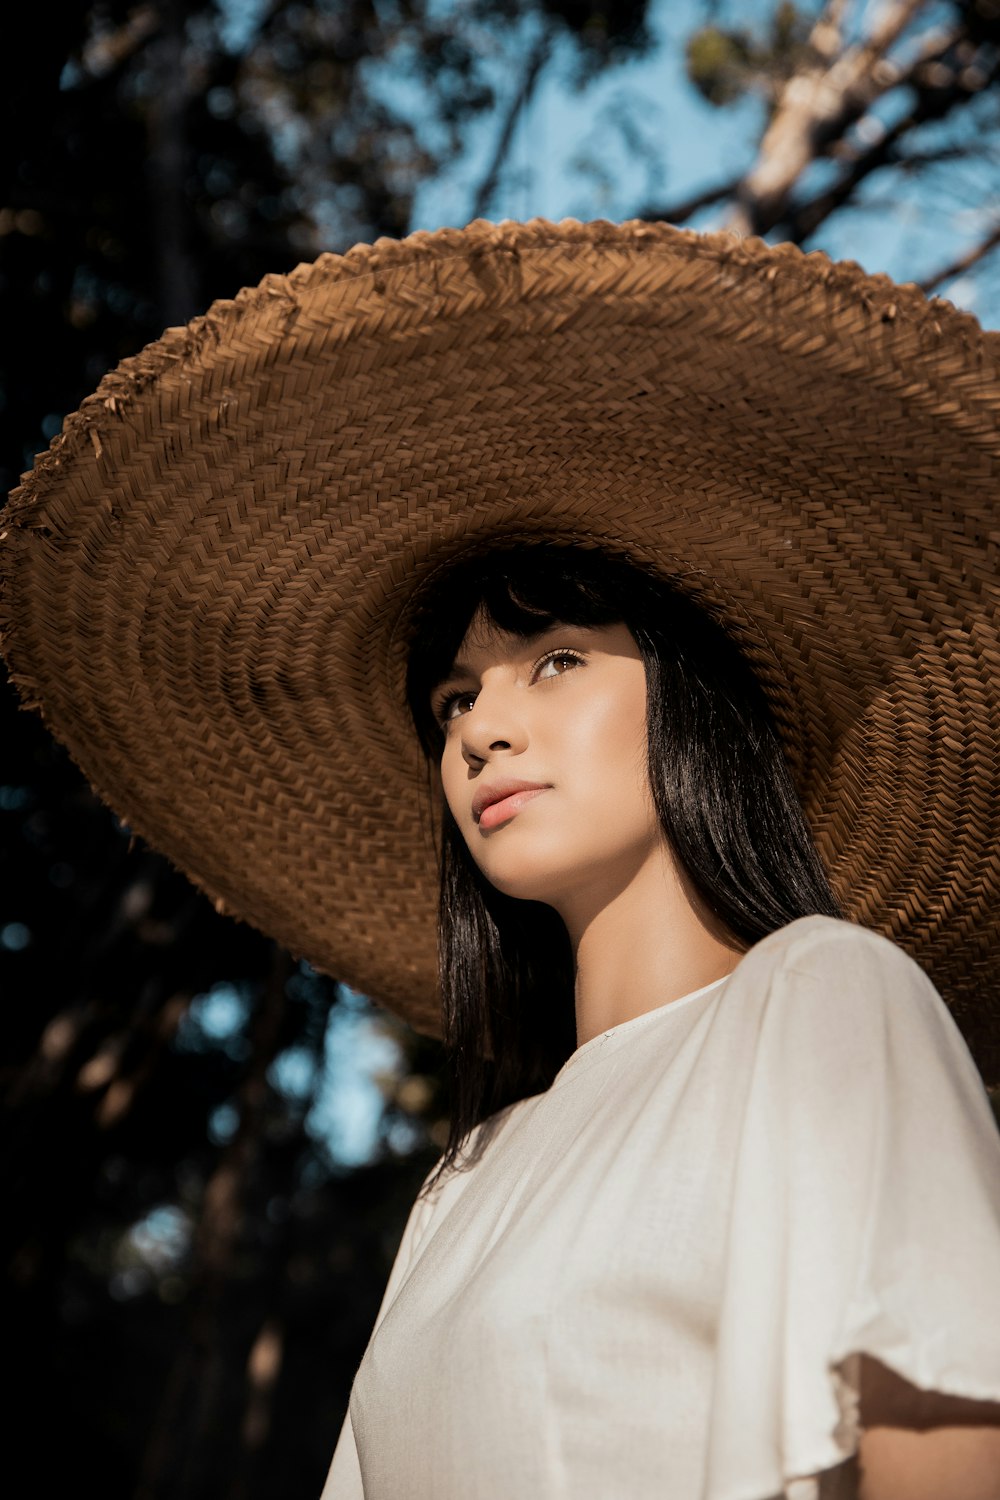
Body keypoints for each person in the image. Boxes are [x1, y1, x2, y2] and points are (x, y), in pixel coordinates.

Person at [1, 218, 999, 1499]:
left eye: (558, 659)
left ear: (694, 705)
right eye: (450, 701)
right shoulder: (461, 1184)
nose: (483, 729)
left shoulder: (822, 1002)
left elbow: (949, 1459)